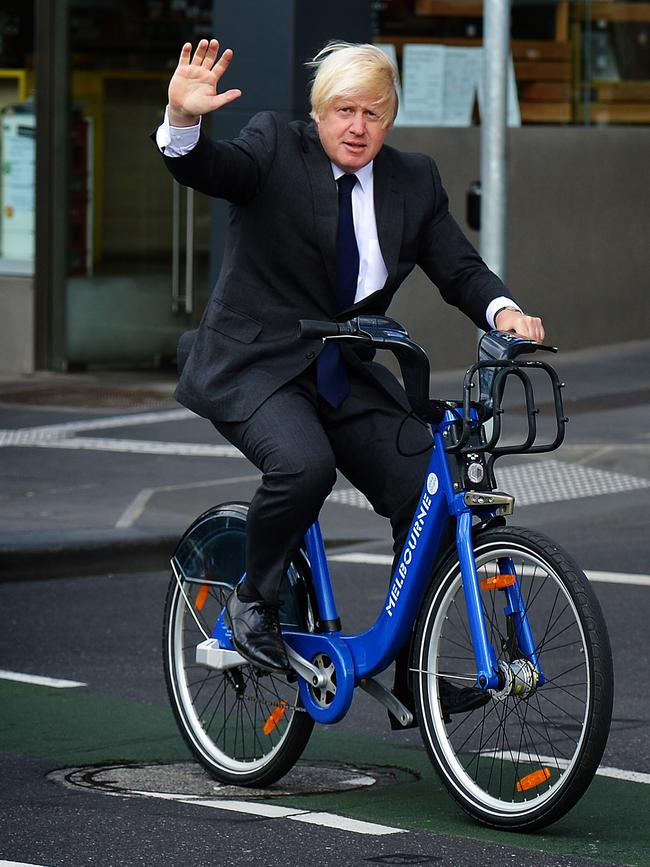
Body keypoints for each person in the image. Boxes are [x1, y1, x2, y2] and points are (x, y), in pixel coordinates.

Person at [155, 38, 544, 716]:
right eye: (342, 110)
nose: (357, 126)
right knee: (304, 464)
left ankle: (412, 666)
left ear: (390, 117)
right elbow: (211, 168)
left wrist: (504, 310)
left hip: (341, 368)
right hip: (256, 362)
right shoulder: (275, 146)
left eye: (372, 112)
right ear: (318, 111)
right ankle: (254, 603)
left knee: (424, 478)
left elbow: (459, 269)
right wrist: (182, 121)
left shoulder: (412, 180)